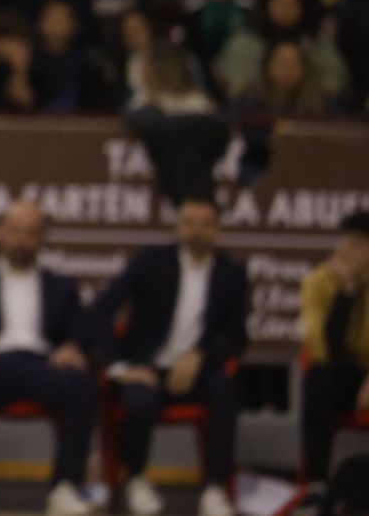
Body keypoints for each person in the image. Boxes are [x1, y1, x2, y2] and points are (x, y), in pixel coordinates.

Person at [88, 199, 247, 516]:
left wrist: (200, 355)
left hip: (198, 371)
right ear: (177, 225)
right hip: (146, 369)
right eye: (189, 222)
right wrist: (120, 366)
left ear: (218, 229)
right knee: (139, 401)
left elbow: (237, 337)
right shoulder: (152, 261)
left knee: (226, 389)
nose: (196, 231)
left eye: (205, 224)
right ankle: (135, 478)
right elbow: (100, 310)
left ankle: (215, 487)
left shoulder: (231, 272)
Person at [0, 201, 94, 516]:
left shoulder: (62, 286)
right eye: (15, 231)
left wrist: (73, 347)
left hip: (44, 364)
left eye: (31, 233)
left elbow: (82, 331)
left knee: (80, 384)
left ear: (42, 237)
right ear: (1, 232)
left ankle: (66, 487)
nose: (22, 240)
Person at [298, 211, 369, 510]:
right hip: (343, 377)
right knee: (318, 376)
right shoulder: (317, 282)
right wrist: (346, 292)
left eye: (359, 244)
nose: (348, 251)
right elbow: (322, 350)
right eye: (345, 242)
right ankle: (316, 486)